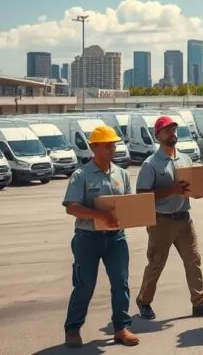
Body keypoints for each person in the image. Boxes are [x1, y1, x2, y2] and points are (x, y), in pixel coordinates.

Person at [134, 116, 203, 320]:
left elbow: (190, 187)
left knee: (194, 260)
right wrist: (171, 190)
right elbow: (142, 195)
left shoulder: (185, 159)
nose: (172, 133)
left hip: (184, 219)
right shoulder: (151, 164)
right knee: (156, 264)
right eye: (167, 130)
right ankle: (144, 301)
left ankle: (199, 302)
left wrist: (199, 191)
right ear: (158, 136)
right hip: (161, 221)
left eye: (174, 129)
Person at [61, 125, 139, 348]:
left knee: (121, 284)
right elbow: (71, 208)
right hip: (87, 238)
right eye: (107, 145)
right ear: (94, 147)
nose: (112, 148)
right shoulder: (81, 175)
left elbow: (126, 204)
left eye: (113, 144)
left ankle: (122, 328)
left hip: (116, 238)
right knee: (84, 285)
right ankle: (73, 329)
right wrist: (98, 214)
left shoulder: (121, 173)